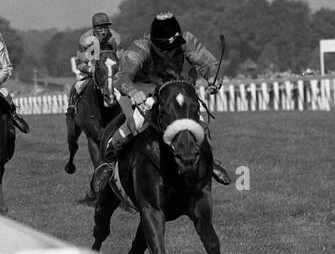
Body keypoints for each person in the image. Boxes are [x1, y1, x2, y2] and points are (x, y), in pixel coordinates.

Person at [90, 12, 230, 196]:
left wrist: (213, 78)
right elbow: (121, 76)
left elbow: (208, 63)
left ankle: (209, 160)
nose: (171, 49)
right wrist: (133, 92)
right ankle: (108, 162)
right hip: (143, 91)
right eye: (166, 46)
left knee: (201, 114)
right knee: (137, 122)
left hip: (172, 90)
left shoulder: (185, 39)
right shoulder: (141, 46)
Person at [66, 12, 122, 123]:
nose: (103, 32)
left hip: (108, 71)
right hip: (90, 68)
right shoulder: (84, 39)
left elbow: (120, 59)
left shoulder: (115, 38)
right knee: (78, 85)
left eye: (106, 28)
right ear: (94, 28)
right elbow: (80, 64)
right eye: (100, 28)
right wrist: (91, 70)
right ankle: (71, 108)